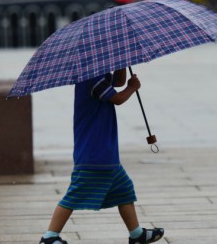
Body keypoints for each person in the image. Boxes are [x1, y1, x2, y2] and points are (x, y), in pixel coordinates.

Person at [40, 68, 164, 244]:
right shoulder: (92, 78)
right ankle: (49, 237)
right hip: (94, 151)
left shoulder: (98, 75)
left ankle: (136, 234)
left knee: (124, 190)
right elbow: (118, 98)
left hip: (104, 151)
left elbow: (118, 82)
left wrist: (122, 62)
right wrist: (133, 87)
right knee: (74, 194)